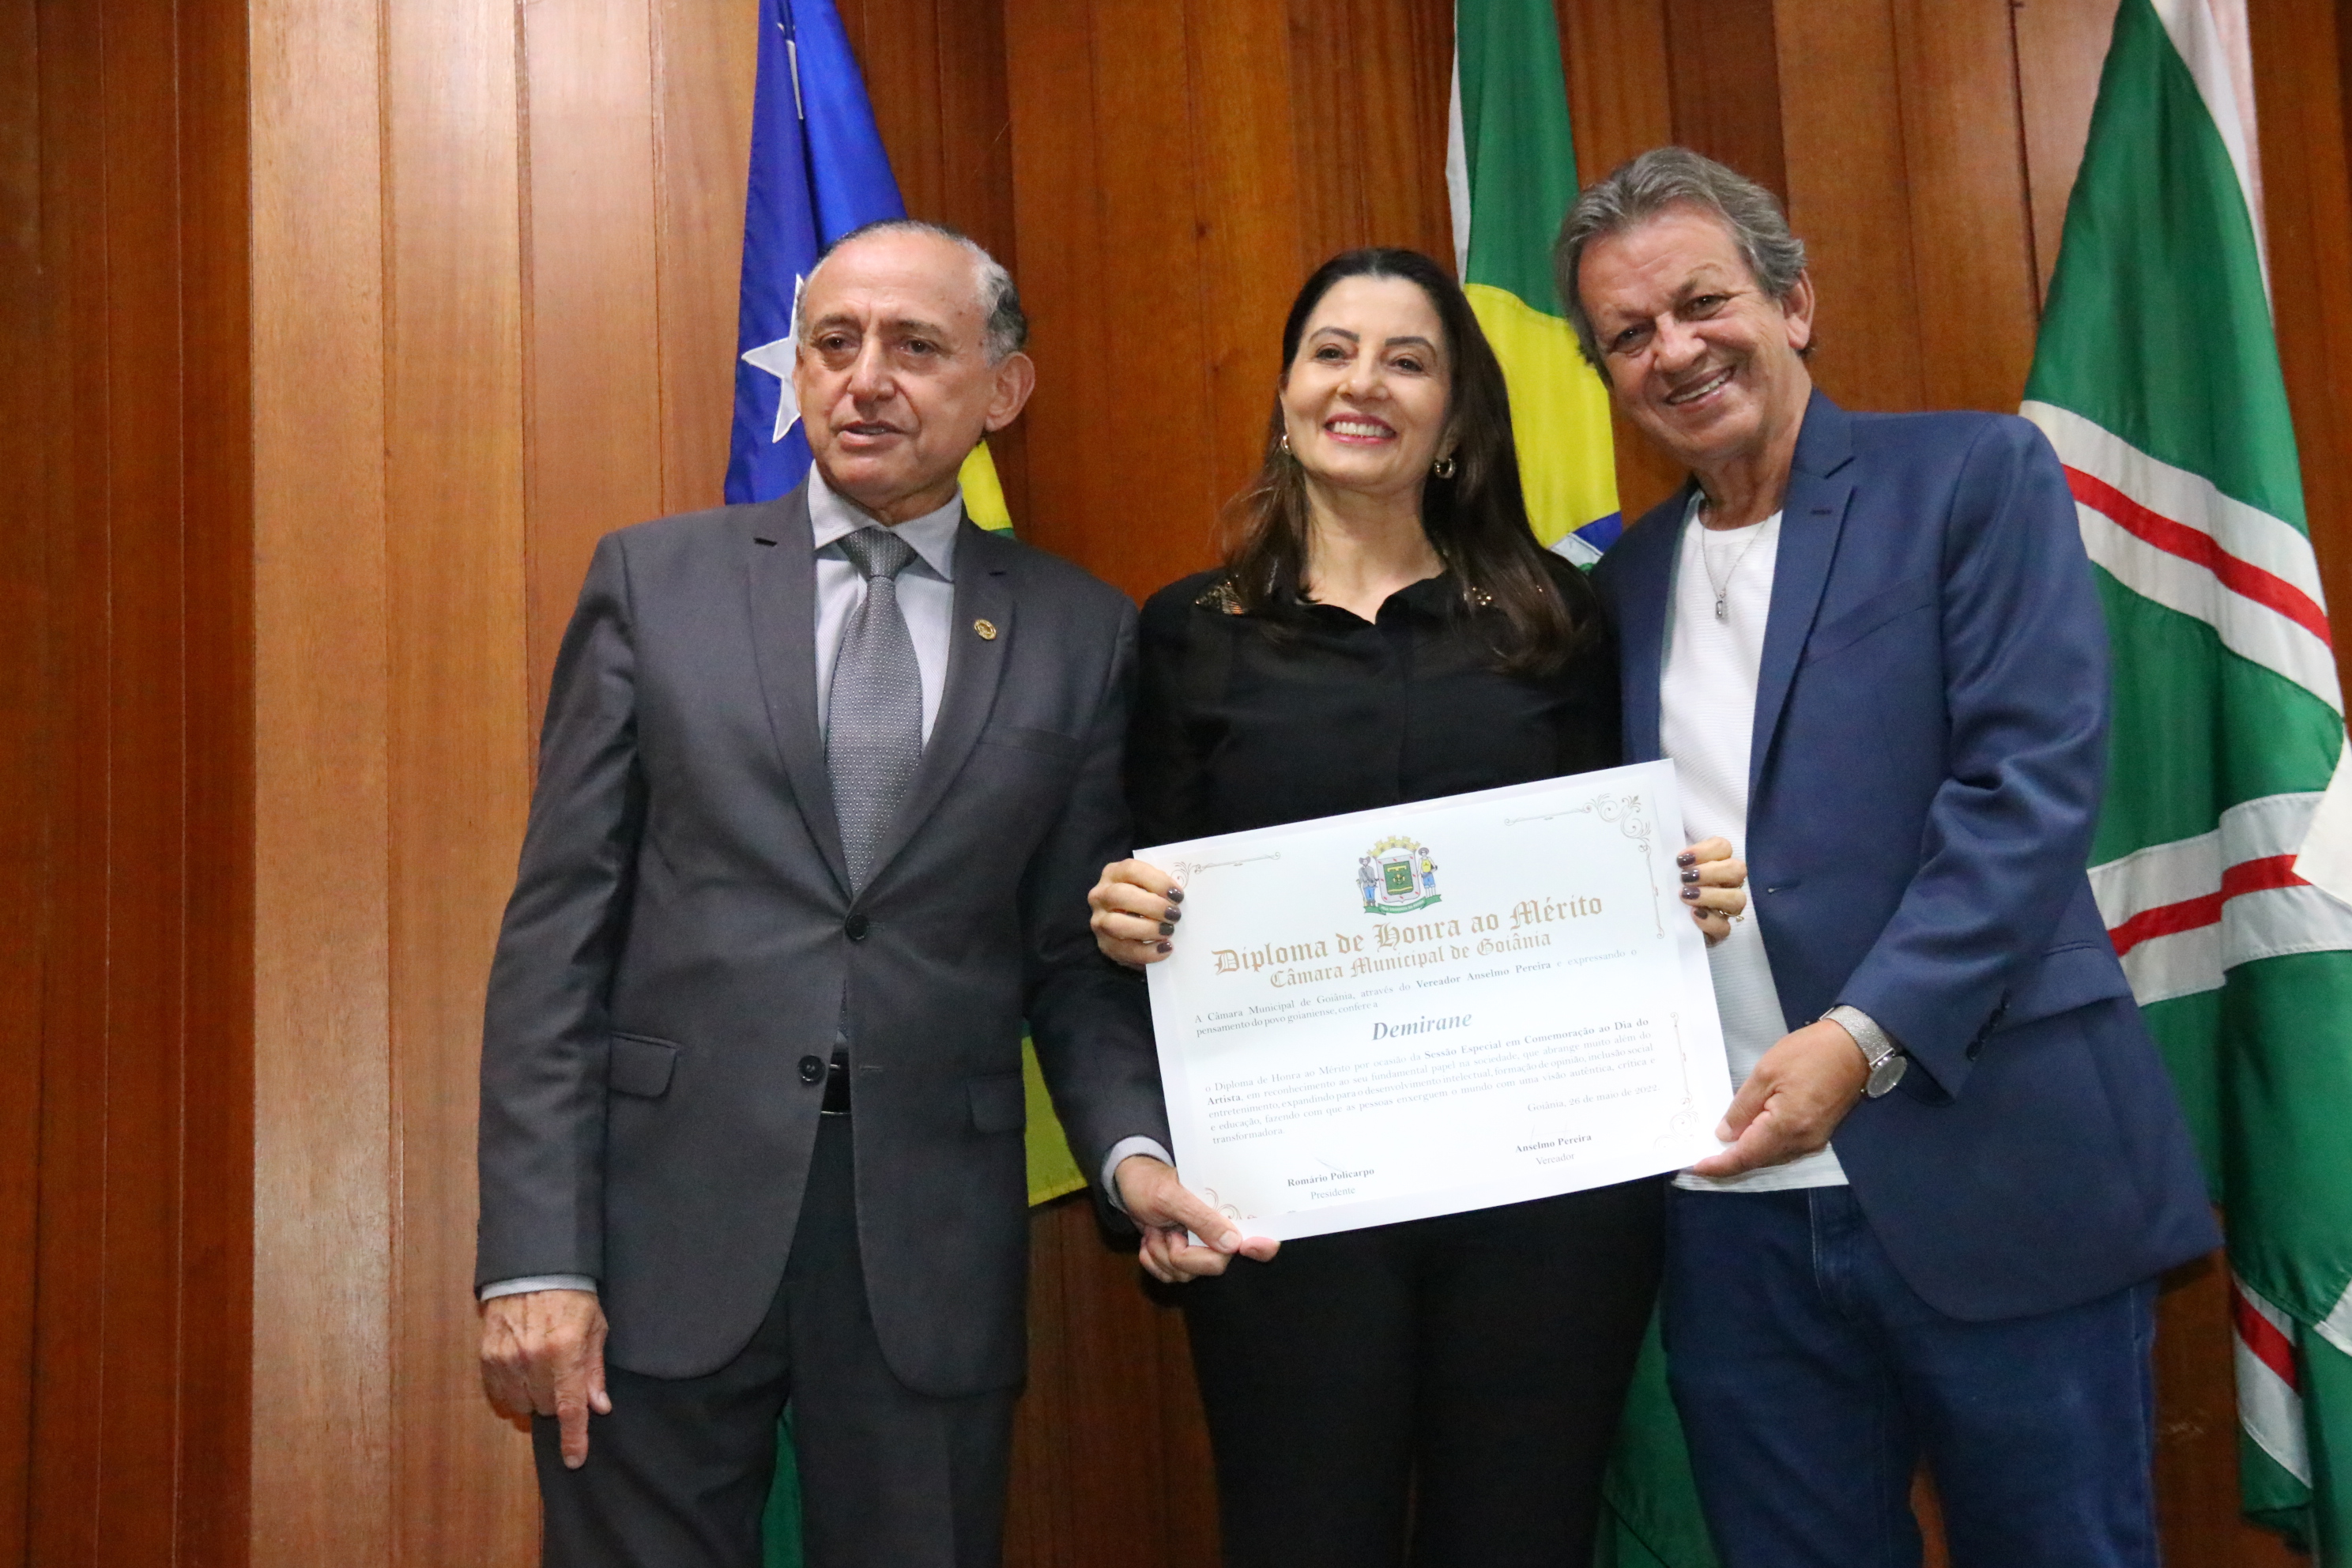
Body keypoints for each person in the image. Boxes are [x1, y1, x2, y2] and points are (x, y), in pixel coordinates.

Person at [473, 219, 1236, 1568]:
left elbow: (1070, 961)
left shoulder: (1080, 630)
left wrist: (1136, 1157)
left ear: (1003, 390)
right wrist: (537, 1257)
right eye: (834, 343)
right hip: (661, 1229)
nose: (865, 378)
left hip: (927, 1241)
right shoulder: (655, 583)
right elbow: (557, 944)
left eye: (915, 347)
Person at [1556, 147, 2219, 1567]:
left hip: (1992, 1159)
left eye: (1703, 302)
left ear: (1792, 303)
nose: (1674, 349)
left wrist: (1859, 1039)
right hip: (1732, 1215)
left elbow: (2028, 791)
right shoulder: (1621, 584)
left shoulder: (1971, 475)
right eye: (1629, 333)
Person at [1086, 247, 1748, 1567]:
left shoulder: (1559, 617)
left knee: (1520, 1537)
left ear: (1455, 418)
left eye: (1408, 361)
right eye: (1332, 352)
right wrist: (1126, 912)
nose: (1364, 384)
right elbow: (1124, 914)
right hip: (1287, 1206)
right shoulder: (1187, 631)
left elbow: (1624, 884)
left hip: (1546, 1207)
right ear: (1287, 394)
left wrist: (1692, 888)